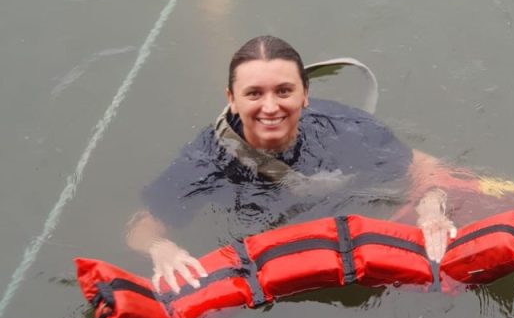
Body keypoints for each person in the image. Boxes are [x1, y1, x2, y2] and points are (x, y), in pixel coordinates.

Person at [126, 36, 455, 293]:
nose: (270, 108)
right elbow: (141, 227)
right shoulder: (204, 159)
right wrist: (160, 248)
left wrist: (431, 206)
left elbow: (425, 167)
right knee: (222, 50)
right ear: (231, 99)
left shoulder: (345, 129)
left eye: (284, 91)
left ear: (305, 94)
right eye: (253, 94)